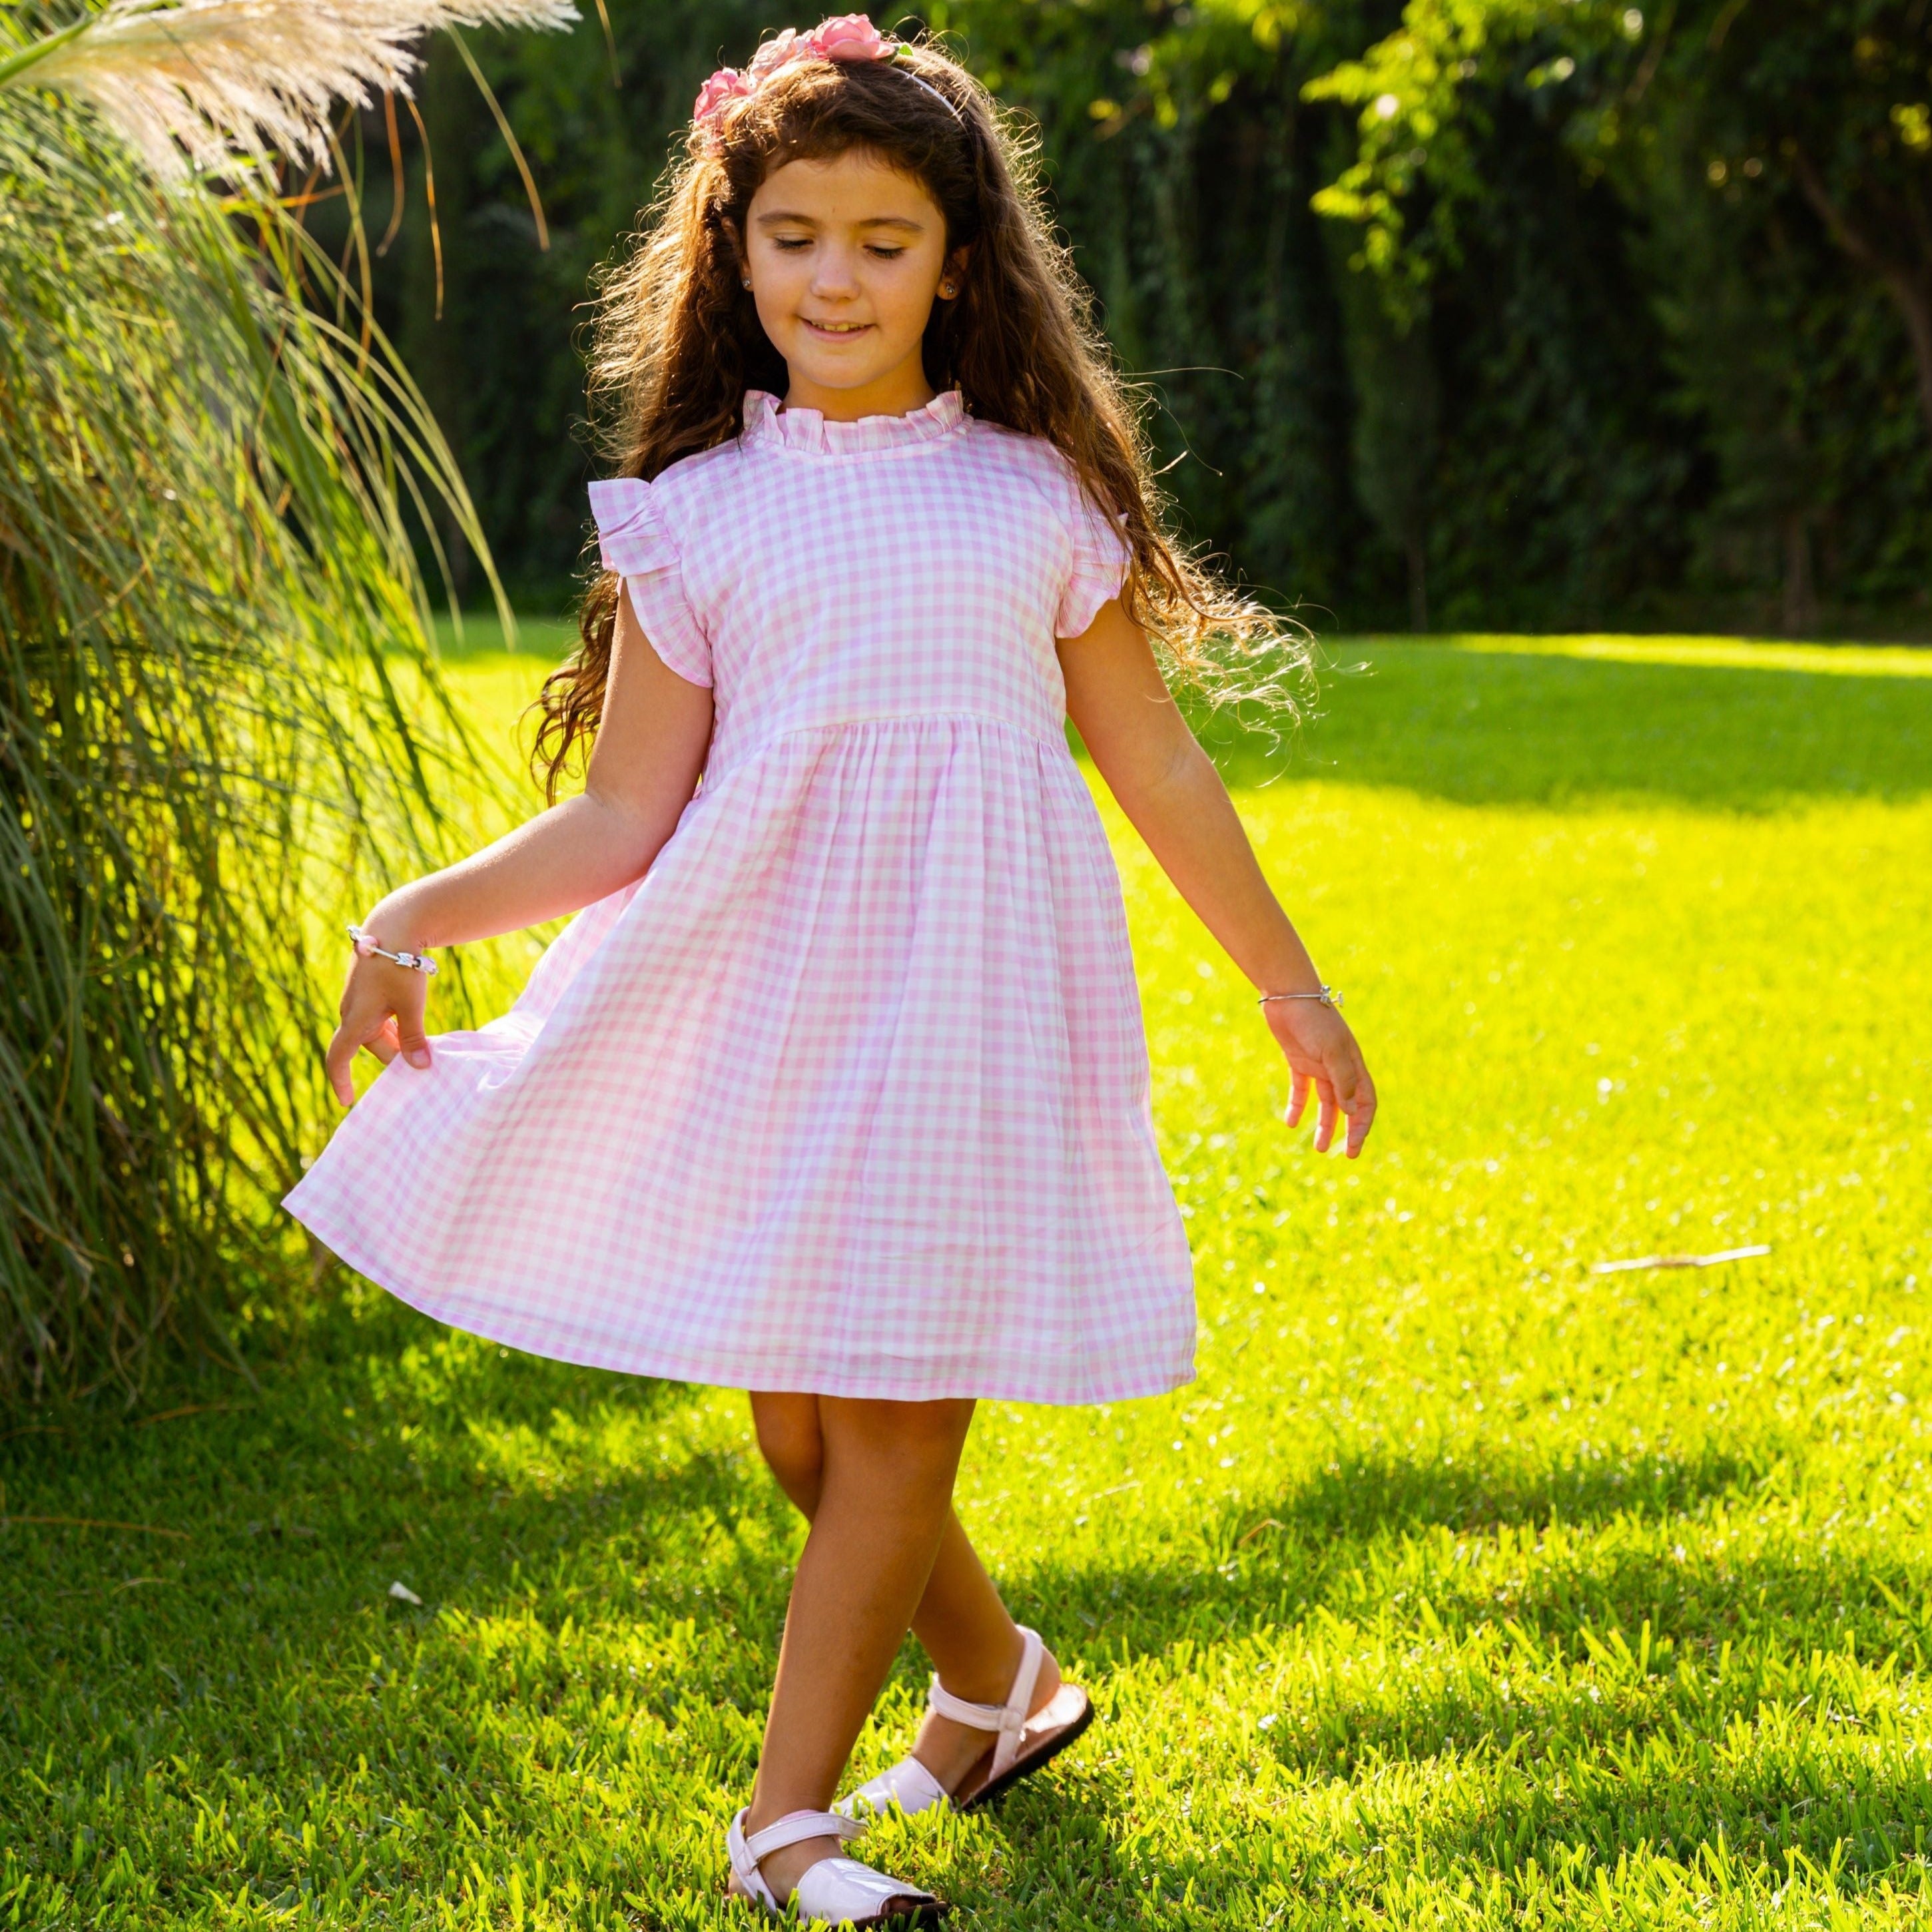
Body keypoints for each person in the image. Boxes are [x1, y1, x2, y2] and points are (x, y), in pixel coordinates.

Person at [284, 15, 1376, 1925]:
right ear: (733, 245)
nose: (838, 276)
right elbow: (622, 819)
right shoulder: (694, 515)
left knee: (880, 1425)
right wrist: (403, 923)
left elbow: (1154, 758)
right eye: (796, 233)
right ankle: (999, 1685)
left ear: (961, 257)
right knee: (804, 1432)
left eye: (885, 238)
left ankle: (784, 1828)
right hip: (769, 1001)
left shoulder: (1037, 491)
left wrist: (1284, 977)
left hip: (971, 1006)